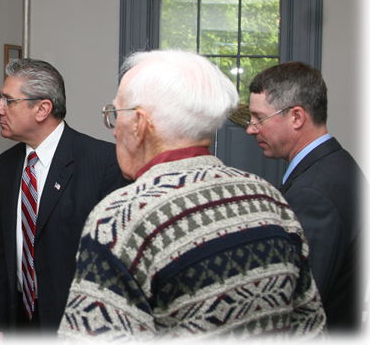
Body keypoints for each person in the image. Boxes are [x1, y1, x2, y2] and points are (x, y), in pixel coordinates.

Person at [58, 50, 325, 340]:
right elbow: (311, 328)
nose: (113, 131)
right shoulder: (269, 199)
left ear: (139, 123)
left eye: (115, 114)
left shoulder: (122, 219)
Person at [0, 58, 126, 336]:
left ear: (42, 109)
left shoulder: (104, 163)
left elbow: (115, 265)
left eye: (7, 100)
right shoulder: (4, 166)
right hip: (18, 323)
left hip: (77, 325)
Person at [246, 61, 363, 331]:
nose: (250, 128)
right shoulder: (338, 164)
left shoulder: (314, 194)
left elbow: (302, 301)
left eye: (258, 118)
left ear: (296, 117)